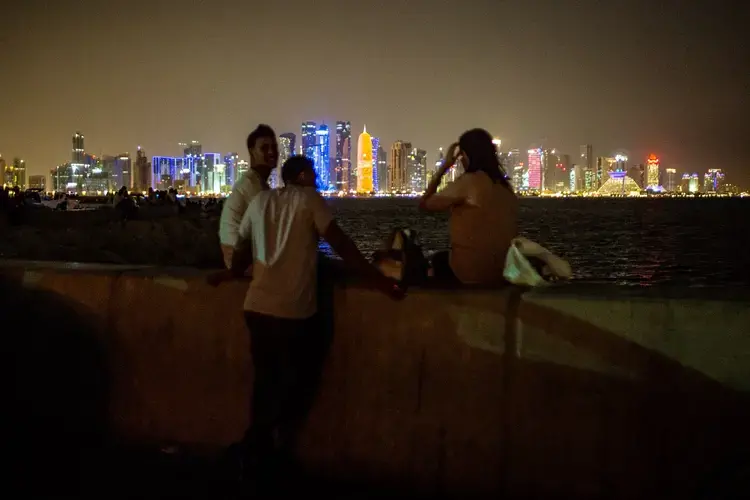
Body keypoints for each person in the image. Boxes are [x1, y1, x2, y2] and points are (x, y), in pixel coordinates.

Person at [209, 156, 403, 480]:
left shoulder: (260, 201)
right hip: (292, 313)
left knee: (265, 382)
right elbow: (341, 243)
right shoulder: (309, 199)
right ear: (302, 175)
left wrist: (231, 274)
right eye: (313, 173)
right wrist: (379, 281)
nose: (316, 179)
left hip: (256, 308)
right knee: (298, 381)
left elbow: (241, 251)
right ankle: (263, 451)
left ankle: (255, 453)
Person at [419, 128, 518, 285]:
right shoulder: (506, 188)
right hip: (502, 272)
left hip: (469, 273)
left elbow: (425, 204)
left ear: (465, 155)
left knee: (430, 262)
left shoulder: (469, 181)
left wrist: (444, 167)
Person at [218, 124, 278, 269]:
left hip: (246, 253)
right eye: (264, 148)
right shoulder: (251, 185)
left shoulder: (258, 183)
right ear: (252, 152)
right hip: (238, 259)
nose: (271, 152)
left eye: (274, 147)